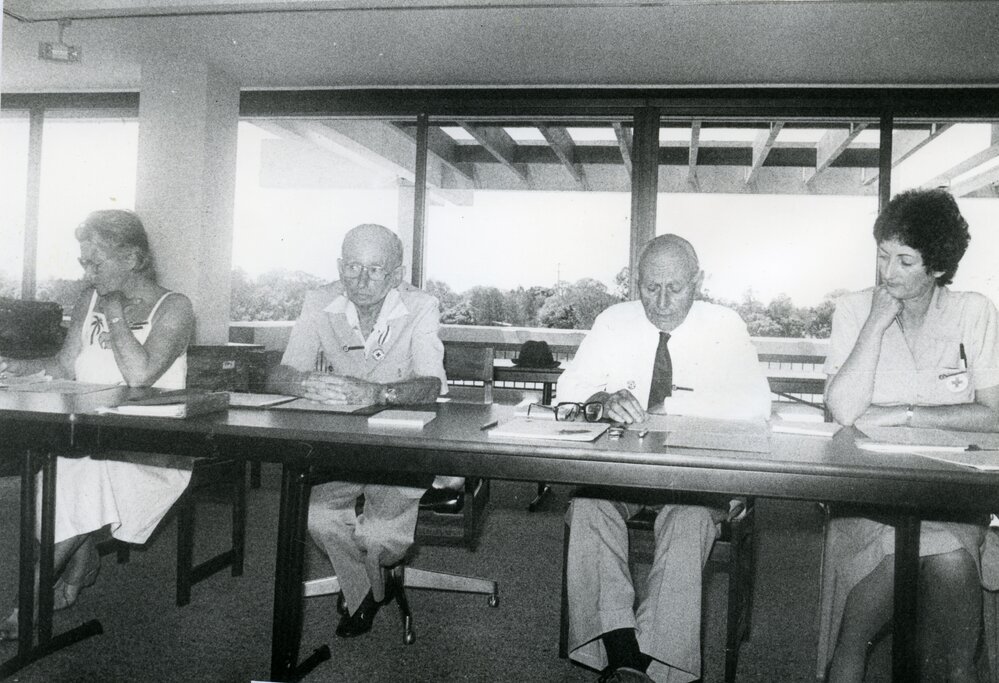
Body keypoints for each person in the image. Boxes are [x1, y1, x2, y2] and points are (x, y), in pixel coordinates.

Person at [558, 234, 772, 683]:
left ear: (698, 280)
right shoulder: (614, 321)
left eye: (675, 288)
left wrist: (671, 410)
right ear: (636, 281)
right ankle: (622, 649)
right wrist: (602, 396)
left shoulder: (725, 326)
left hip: (695, 480)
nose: (661, 301)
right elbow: (567, 391)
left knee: (688, 521)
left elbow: (756, 407)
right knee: (587, 509)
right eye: (650, 288)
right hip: (624, 473)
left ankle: (658, 667)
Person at [822, 188, 999, 682]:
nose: (887, 272)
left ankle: (944, 668)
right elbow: (843, 409)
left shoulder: (973, 311)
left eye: (905, 260)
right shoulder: (856, 309)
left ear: (938, 267)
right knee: (945, 561)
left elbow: (996, 413)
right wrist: (876, 325)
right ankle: (954, 671)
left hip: (950, 492)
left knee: (945, 560)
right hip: (870, 495)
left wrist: (902, 413)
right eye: (883, 256)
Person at [0, 209, 195, 641]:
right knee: (59, 480)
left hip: (149, 448)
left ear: (132, 258)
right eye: (83, 261)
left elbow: (140, 375)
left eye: (96, 262)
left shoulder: (175, 307)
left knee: (74, 477)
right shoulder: (87, 300)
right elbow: (62, 365)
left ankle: (28, 601)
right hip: (88, 437)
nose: (86, 273)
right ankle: (82, 555)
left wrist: (114, 312)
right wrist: (14, 366)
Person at [266, 223, 446, 638]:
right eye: (352, 267)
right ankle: (366, 589)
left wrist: (378, 391)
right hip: (343, 448)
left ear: (397, 274)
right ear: (338, 266)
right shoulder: (318, 301)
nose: (361, 281)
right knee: (316, 515)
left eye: (375, 270)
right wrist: (298, 383)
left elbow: (430, 386)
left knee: (382, 534)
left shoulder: (421, 306)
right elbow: (281, 373)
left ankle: (364, 589)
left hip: (402, 449)